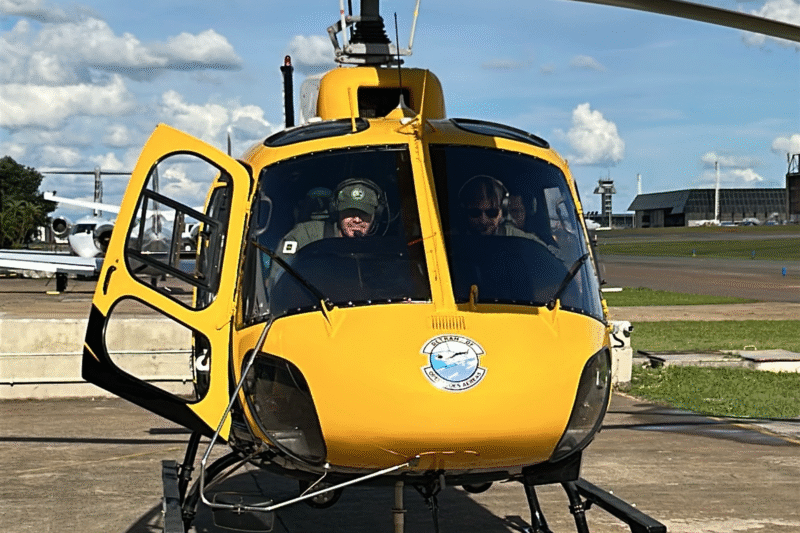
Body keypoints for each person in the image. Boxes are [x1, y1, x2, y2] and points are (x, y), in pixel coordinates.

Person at [276, 178, 384, 259]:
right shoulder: (306, 235)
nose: (356, 219)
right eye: (350, 212)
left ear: (376, 215)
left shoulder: (382, 250)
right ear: (336, 211)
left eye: (364, 213)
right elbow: (279, 277)